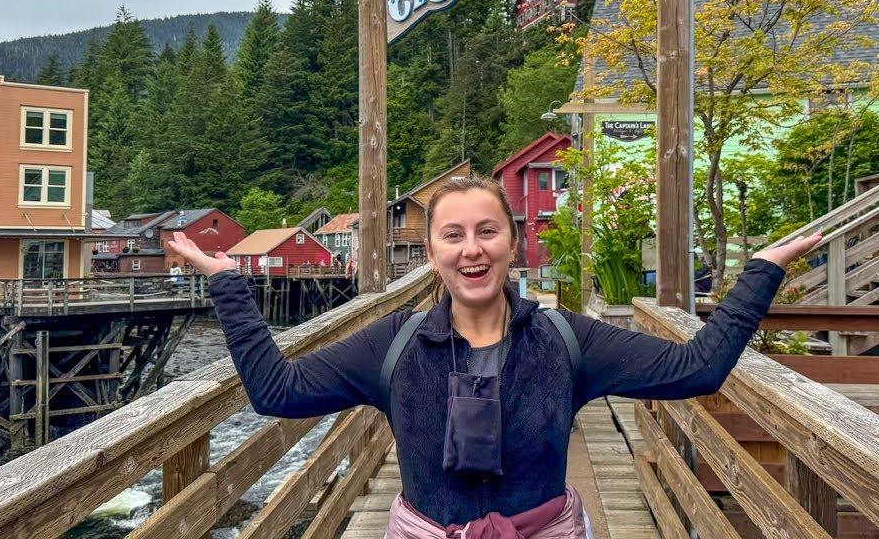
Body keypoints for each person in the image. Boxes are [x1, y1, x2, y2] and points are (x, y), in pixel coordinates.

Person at [167, 176, 818, 537]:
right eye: (453, 234)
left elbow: (694, 370)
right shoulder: (391, 346)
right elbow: (275, 392)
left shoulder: (567, 341)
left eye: (487, 231)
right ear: (432, 252)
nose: (471, 249)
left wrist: (758, 273)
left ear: (513, 243)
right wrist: (229, 285)